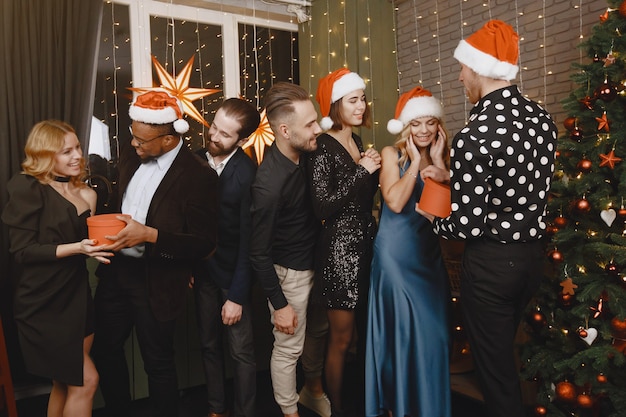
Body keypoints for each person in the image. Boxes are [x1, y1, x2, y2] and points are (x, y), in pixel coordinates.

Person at [417, 20, 557, 417]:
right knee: (504, 361)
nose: (460, 76)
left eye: (462, 67)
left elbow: (466, 225)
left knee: (495, 375)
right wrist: (454, 175)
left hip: (493, 266)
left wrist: (432, 217)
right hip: (531, 261)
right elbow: (516, 179)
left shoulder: (475, 133)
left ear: (480, 68)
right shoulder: (540, 119)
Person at [91, 90, 219, 417]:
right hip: (115, 272)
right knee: (105, 351)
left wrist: (150, 235)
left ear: (168, 139)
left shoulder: (198, 174)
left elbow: (204, 243)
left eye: (142, 141)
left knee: (158, 362)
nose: (134, 145)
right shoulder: (131, 154)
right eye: (133, 137)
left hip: (158, 281)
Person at [2, 120, 112, 416]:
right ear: (46, 155)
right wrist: (78, 247)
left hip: (76, 295)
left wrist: (104, 245)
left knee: (66, 382)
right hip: (41, 302)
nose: (77, 155)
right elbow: (22, 251)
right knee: (87, 382)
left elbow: (89, 243)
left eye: (77, 147)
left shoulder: (89, 194)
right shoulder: (27, 188)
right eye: (66, 151)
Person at [365, 87, 451, 417]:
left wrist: (441, 164)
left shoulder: (444, 158)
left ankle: (428, 408)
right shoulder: (391, 153)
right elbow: (396, 202)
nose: (425, 131)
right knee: (401, 336)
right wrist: (415, 162)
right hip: (395, 258)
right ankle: (398, 407)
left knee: (435, 338)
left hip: (428, 257)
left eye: (431, 123)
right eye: (416, 123)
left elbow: (440, 214)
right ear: (405, 126)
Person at [249, 81, 326, 417]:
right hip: (289, 276)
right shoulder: (268, 184)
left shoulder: (304, 154)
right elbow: (258, 253)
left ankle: (312, 393)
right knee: (288, 349)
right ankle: (289, 413)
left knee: (314, 337)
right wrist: (280, 304)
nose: (317, 128)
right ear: (283, 129)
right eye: (309, 124)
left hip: (313, 265)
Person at [309, 68, 380, 417]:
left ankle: (361, 403)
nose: (362, 105)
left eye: (363, 98)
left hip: (366, 244)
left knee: (358, 339)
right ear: (336, 104)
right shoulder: (322, 146)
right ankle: (336, 410)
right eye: (354, 100)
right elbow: (322, 205)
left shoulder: (359, 141)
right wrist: (363, 171)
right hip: (339, 249)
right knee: (340, 338)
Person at [192, 98, 260, 417]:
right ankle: (215, 409)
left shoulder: (248, 175)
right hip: (203, 271)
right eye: (213, 127)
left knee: (241, 353)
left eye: (224, 134)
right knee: (207, 345)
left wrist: (236, 295)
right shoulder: (195, 161)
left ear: (242, 140)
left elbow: (251, 242)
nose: (214, 136)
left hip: (235, 277)